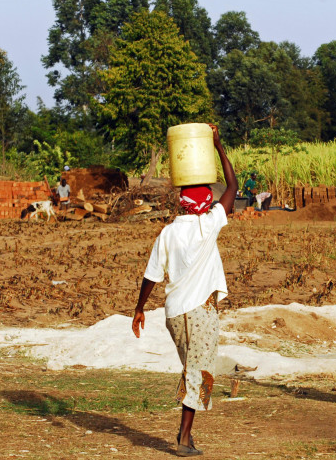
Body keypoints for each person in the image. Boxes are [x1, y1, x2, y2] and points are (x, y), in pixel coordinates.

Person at [132, 124, 237, 457]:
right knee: (199, 371)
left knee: (194, 369)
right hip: (200, 313)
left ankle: (186, 434)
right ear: (206, 204)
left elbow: (151, 275)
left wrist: (139, 309)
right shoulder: (209, 224)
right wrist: (218, 145)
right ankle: (184, 437)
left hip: (174, 314)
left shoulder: (168, 233)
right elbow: (232, 186)